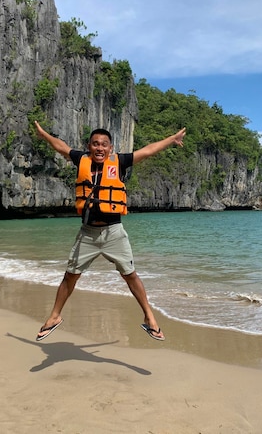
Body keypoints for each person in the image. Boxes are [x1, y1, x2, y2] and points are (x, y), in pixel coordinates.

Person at [33, 121, 186, 342]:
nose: (99, 148)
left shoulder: (120, 162)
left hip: (114, 233)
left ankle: (149, 318)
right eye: (95, 144)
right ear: (89, 146)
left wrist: (172, 139)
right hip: (87, 233)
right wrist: (44, 135)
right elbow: (61, 147)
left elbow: (148, 150)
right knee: (70, 276)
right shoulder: (81, 159)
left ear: (111, 148)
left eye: (104, 144)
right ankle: (55, 316)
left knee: (130, 275)